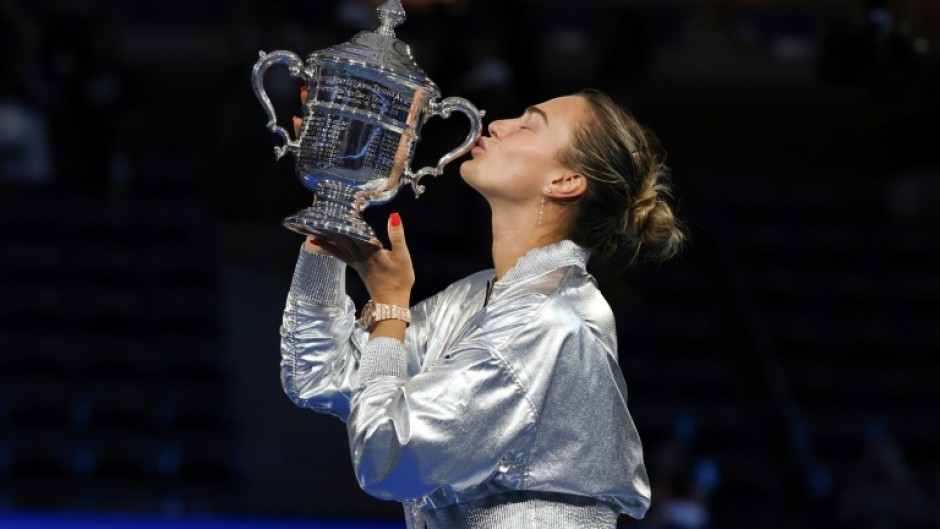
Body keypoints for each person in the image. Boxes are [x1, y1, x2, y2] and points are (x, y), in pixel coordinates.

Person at [279, 88, 686, 528]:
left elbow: (389, 457)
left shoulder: (546, 320)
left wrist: (391, 308)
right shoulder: (479, 298)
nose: (497, 124)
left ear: (564, 182)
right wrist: (339, 198)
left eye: (529, 125)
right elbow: (319, 374)